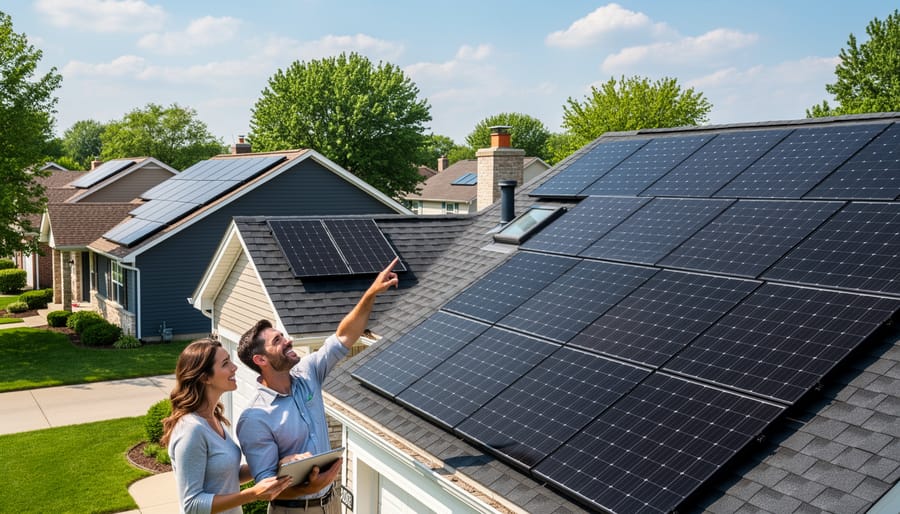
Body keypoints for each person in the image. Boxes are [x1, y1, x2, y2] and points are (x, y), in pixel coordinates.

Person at [236, 257, 399, 513]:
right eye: (278, 340)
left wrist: (371, 293)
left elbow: (343, 336)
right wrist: (307, 488)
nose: (288, 341)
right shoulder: (255, 418)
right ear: (261, 359)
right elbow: (264, 486)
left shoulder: (307, 373)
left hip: (330, 502)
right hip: (293, 509)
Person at [162, 338, 293, 514]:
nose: (234, 367)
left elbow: (227, 476)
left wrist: (276, 464)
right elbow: (192, 504)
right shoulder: (191, 430)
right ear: (205, 377)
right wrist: (253, 494)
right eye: (225, 363)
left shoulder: (212, 418)